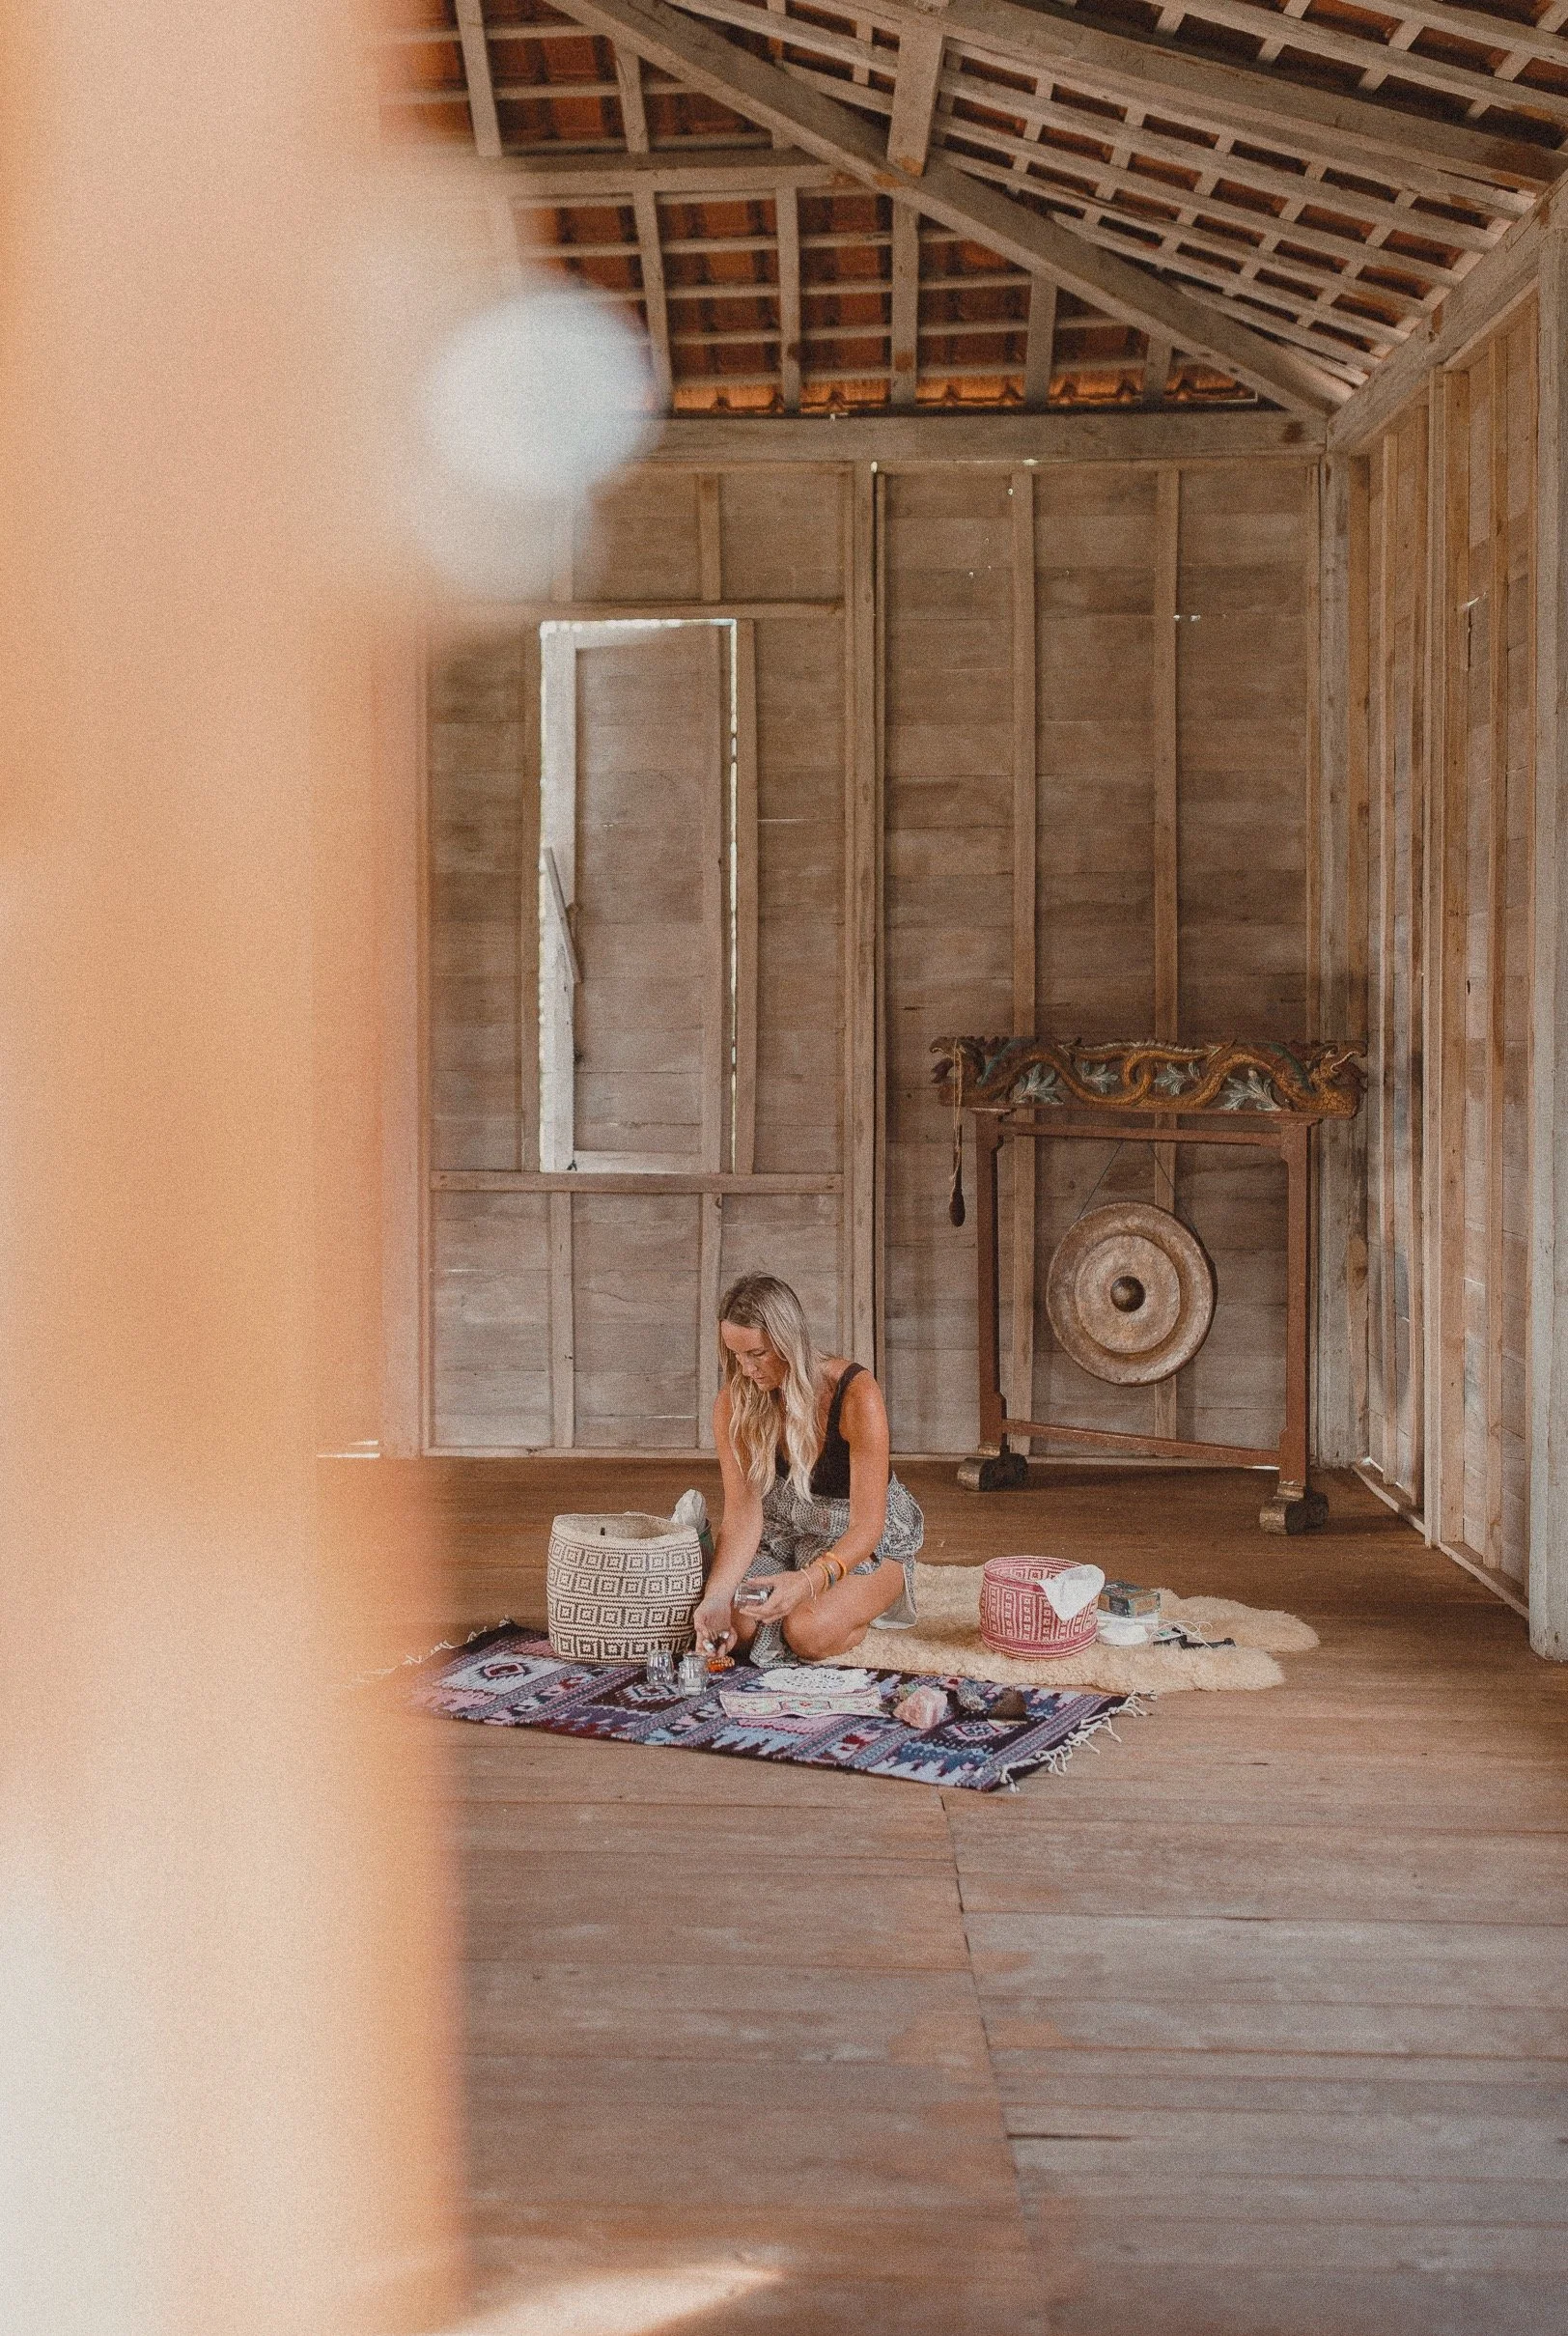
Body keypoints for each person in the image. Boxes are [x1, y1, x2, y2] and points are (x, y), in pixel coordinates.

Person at [692, 1273, 924, 1665]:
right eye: (735, 1355)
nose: (745, 1369)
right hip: (782, 1530)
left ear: (789, 1342)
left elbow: (868, 1528)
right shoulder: (734, 1403)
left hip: (855, 1538)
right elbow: (743, 1514)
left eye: (757, 1354)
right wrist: (715, 1599)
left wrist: (805, 1582)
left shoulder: (855, 1394)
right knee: (734, 1627)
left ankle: (865, 1605)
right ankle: (805, 1602)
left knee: (807, 1632)